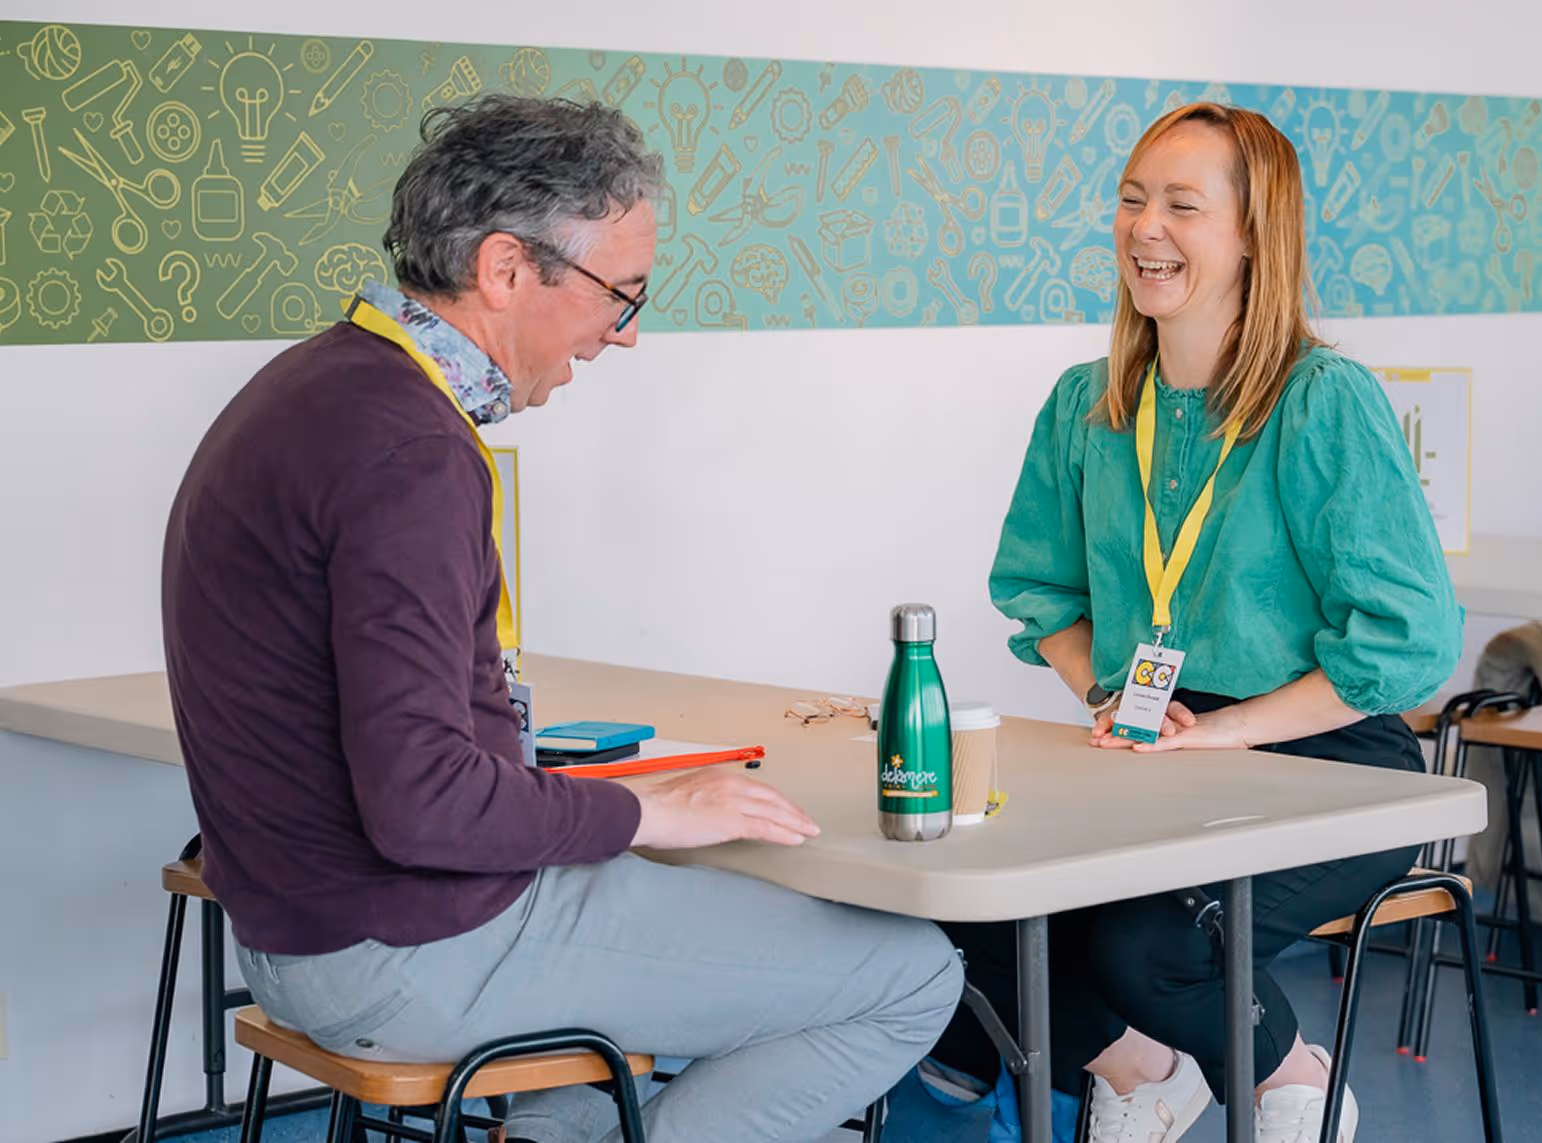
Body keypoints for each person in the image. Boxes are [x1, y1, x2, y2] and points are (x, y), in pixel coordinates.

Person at [160, 96, 961, 1143]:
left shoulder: (313, 386)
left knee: (587, 1093)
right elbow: (421, 809)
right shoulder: (412, 452)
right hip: (405, 952)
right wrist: (648, 814)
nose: (623, 336)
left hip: (293, 934)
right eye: (617, 295)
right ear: (504, 269)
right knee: (908, 975)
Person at [931, 103, 1461, 1143]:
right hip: (1151, 744)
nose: (1144, 228)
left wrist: (1225, 728)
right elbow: (1040, 594)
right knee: (962, 906)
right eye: (1131, 201)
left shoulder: (1322, 401)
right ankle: (1149, 1074)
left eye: (1181, 205)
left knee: (1143, 947)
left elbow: (1405, 638)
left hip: (1327, 756)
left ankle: (1288, 1079)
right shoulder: (1087, 402)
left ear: (1254, 234)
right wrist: (1108, 696)